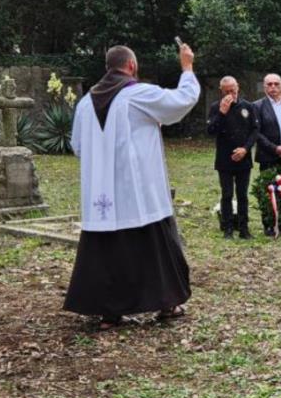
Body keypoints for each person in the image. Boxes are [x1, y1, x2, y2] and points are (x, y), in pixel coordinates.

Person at [65, 44, 199, 328]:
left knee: (105, 253)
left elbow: (77, 146)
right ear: (131, 67)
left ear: (107, 67)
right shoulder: (137, 94)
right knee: (154, 246)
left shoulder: (86, 103)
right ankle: (166, 305)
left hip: (100, 198)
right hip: (138, 191)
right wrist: (187, 68)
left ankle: (108, 313)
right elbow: (181, 101)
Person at [205, 76, 258, 239]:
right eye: (226, 91)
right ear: (221, 91)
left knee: (242, 194)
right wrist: (222, 113)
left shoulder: (248, 106)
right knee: (227, 194)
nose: (230, 94)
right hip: (224, 159)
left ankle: (244, 228)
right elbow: (210, 131)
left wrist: (245, 149)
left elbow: (254, 131)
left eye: (232, 90)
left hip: (243, 157)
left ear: (238, 88)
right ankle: (227, 228)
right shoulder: (216, 107)